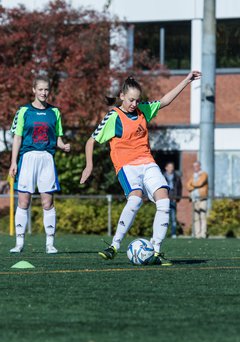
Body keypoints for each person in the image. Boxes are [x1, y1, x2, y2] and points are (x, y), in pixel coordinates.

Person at [80, 71, 201, 265]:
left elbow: (165, 101)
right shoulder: (113, 116)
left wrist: (186, 80)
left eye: (137, 100)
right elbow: (90, 141)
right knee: (135, 199)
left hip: (148, 163)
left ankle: (156, 250)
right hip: (127, 167)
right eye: (130, 100)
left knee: (164, 200)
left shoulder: (143, 110)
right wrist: (89, 165)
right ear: (121, 96)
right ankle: (114, 246)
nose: (134, 104)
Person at [9, 75, 70, 254]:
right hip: (27, 158)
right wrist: (13, 162)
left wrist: (63, 145)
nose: (44, 93)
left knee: (47, 202)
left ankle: (49, 244)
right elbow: (17, 138)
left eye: (46, 89)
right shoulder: (23, 111)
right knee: (23, 201)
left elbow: (57, 139)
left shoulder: (55, 112)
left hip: (46, 159)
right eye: (40, 89)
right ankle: (19, 243)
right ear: (34, 90)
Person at [186, 161, 208, 238]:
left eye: (196, 166)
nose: (195, 168)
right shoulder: (193, 176)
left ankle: (203, 234)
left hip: (202, 198)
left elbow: (200, 183)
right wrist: (193, 185)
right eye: (194, 166)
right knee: (196, 217)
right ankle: (197, 234)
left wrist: (192, 184)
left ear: (199, 166)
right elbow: (187, 186)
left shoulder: (204, 174)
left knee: (203, 216)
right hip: (194, 199)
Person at [163, 162, 182, 238]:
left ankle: (173, 233)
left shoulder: (176, 177)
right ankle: (163, 233)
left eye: (172, 167)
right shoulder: (162, 176)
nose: (171, 168)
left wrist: (177, 197)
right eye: (169, 167)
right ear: (166, 168)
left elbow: (180, 188)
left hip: (173, 198)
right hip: (164, 198)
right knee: (164, 217)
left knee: (173, 217)